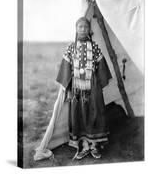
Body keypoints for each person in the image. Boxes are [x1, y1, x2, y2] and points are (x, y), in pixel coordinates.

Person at [34, 17, 112, 161]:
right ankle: (82, 146)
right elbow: (66, 67)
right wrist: (68, 88)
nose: (83, 29)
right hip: (76, 89)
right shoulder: (71, 47)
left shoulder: (94, 47)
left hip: (92, 87)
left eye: (85, 27)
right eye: (80, 27)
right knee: (79, 116)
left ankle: (94, 145)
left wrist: (98, 86)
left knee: (94, 114)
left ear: (89, 30)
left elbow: (102, 66)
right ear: (76, 29)